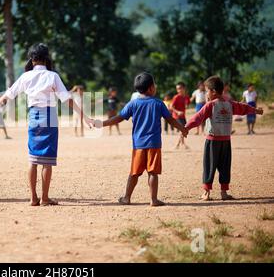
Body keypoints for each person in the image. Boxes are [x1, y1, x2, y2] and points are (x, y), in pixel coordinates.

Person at [0, 43, 91, 207]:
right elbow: (67, 100)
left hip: (33, 115)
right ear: (46, 59)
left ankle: (33, 198)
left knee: (33, 158)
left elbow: (9, 94)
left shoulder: (26, 76)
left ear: (31, 59)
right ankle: (44, 198)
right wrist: (85, 117)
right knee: (47, 160)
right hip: (50, 116)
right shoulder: (53, 76)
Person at [93, 72, 188, 206]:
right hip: (154, 144)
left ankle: (126, 198)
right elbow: (171, 120)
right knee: (153, 172)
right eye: (154, 85)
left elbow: (118, 118)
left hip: (138, 145)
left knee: (134, 173)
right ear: (150, 88)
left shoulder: (133, 104)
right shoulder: (158, 103)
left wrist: (101, 123)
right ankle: (153, 200)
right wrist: (182, 129)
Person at [185, 76, 263, 201]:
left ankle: (207, 193)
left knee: (209, 166)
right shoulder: (229, 104)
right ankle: (223, 192)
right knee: (225, 166)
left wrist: (186, 128)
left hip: (213, 141)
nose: (206, 94)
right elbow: (243, 107)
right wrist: (255, 111)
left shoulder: (211, 105)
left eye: (207, 91)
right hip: (225, 141)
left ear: (213, 91)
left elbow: (198, 117)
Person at [171, 82, 190, 149]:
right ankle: (179, 144)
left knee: (184, 129)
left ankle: (181, 144)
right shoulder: (176, 97)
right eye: (177, 89)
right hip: (177, 116)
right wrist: (178, 112)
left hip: (183, 116)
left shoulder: (186, 97)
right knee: (183, 129)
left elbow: (187, 104)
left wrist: (187, 106)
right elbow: (171, 107)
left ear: (184, 88)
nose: (178, 90)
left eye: (180, 88)